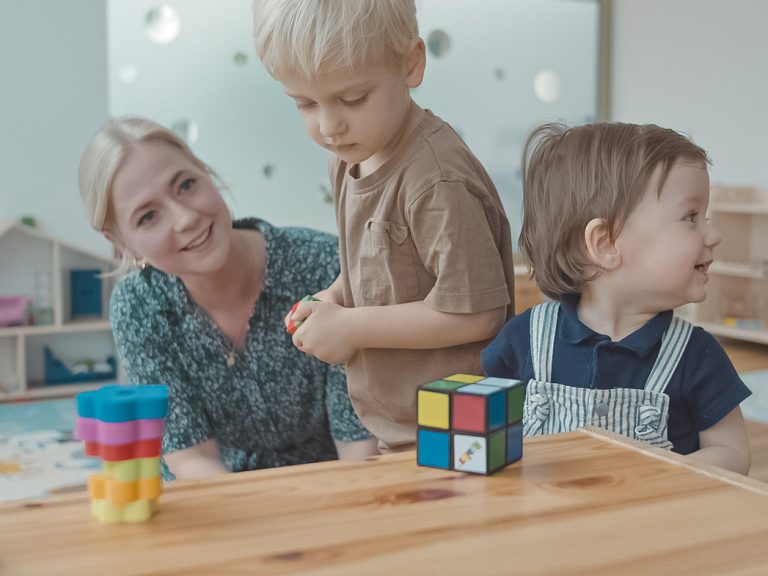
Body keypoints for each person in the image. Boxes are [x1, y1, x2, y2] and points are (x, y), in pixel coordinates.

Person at [252, 0, 517, 451]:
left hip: (461, 414)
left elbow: (476, 312)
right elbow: (375, 262)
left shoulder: (436, 180)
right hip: (398, 420)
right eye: (305, 103)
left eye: (352, 99)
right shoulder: (350, 156)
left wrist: (352, 328)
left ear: (411, 64)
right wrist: (334, 297)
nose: (329, 125)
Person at [78, 116, 377, 480]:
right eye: (148, 216)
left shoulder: (325, 266)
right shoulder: (138, 305)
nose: (185, 217)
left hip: (328, 487)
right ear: (120, 241)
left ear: (206, 173)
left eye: (186, 185)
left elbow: (358, 445)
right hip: (211, 497)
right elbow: (190, 457)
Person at [482, 122, 752, 474]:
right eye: (691, 217)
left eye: (706, 217)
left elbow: (732, 453)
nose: (713, 235)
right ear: (606, 243)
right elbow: (481, 431)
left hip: (647, 525)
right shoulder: (524, 340)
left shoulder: (696, 354)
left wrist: (659, 475)